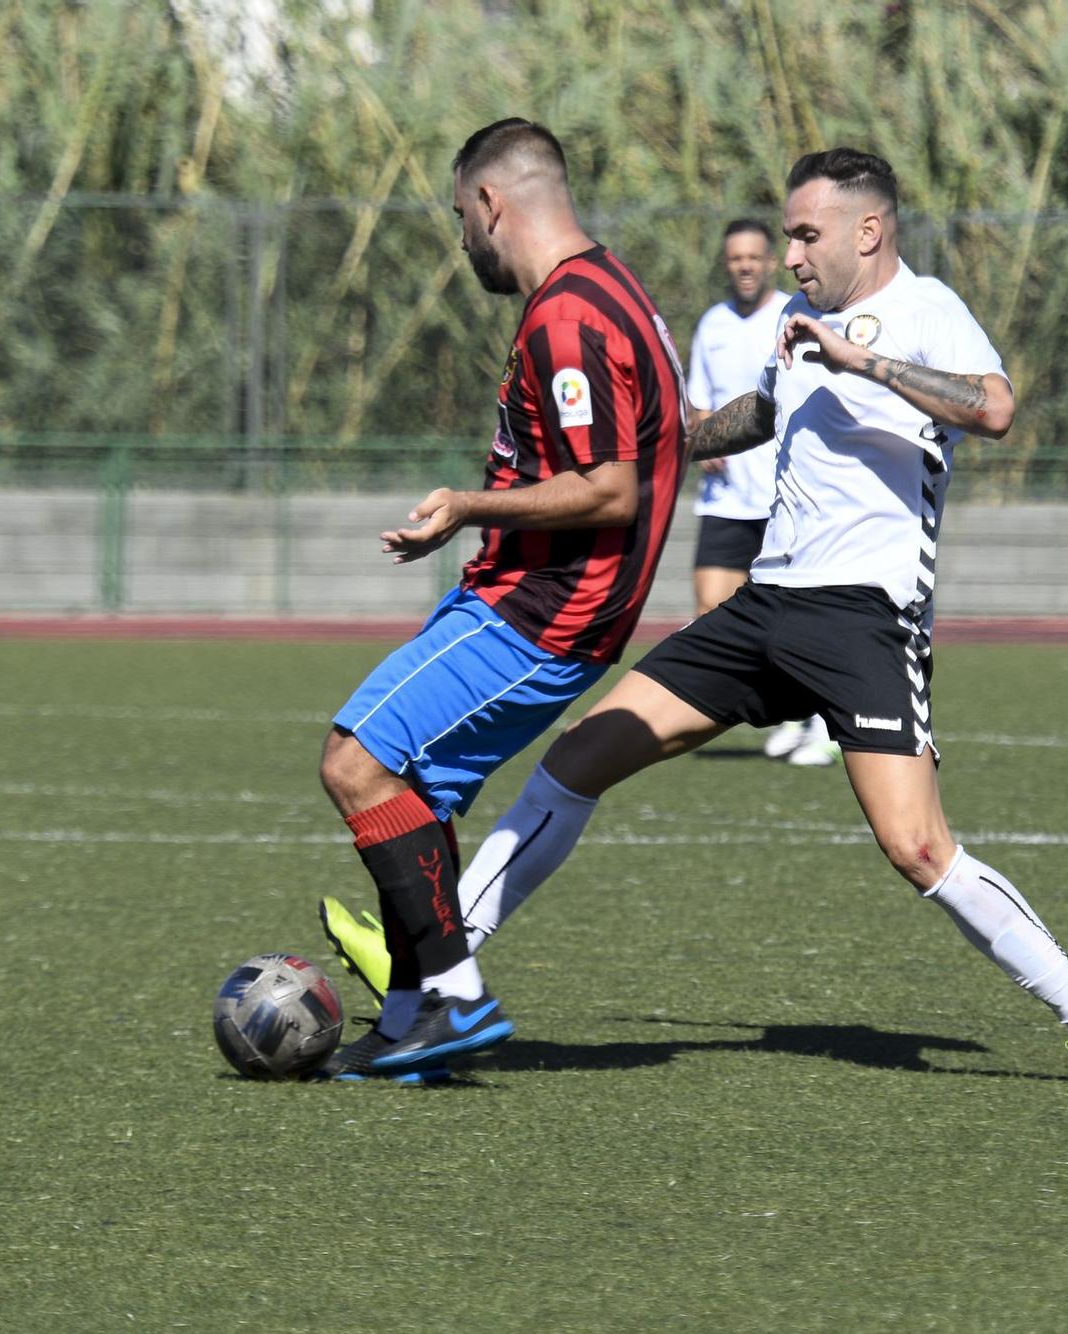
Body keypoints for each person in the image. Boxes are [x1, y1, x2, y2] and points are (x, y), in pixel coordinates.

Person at [360, 147, 1068, 1087]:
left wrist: (863, 358)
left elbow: (993, 410)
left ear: (869, 231)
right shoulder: (797, 319)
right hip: (763, 606)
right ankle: (439, 969)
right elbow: (760, 413)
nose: (790, 256)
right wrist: (664, 435)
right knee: (577, 761)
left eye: (805, 234)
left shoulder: (928, 309)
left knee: (917, 848)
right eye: (788, 235)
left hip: (864, 618)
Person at [312, 118, 687, 1080]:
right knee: (417, 793)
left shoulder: (569, 315)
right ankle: (406, 1023)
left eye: (459, 219)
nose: (463, 241)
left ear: (490, 204)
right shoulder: (621, 293)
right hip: (545, 604)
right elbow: (659, 440)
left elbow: (610, 485)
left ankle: (459, 997)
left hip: (541, 608)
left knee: (354, 763)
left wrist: (466, 504)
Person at [685, 220, 832, 767]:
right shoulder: (712, 325)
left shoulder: (792, 315)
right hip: (725, 497)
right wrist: (705, 435)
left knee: (794, 616)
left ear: (770, 261)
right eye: (734, 258)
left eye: (753, 257)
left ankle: (818, 724)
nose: (744, 266)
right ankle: (789, 711)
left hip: (781, 499)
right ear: (726, 265)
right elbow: (696, 405)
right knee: (710, 614)